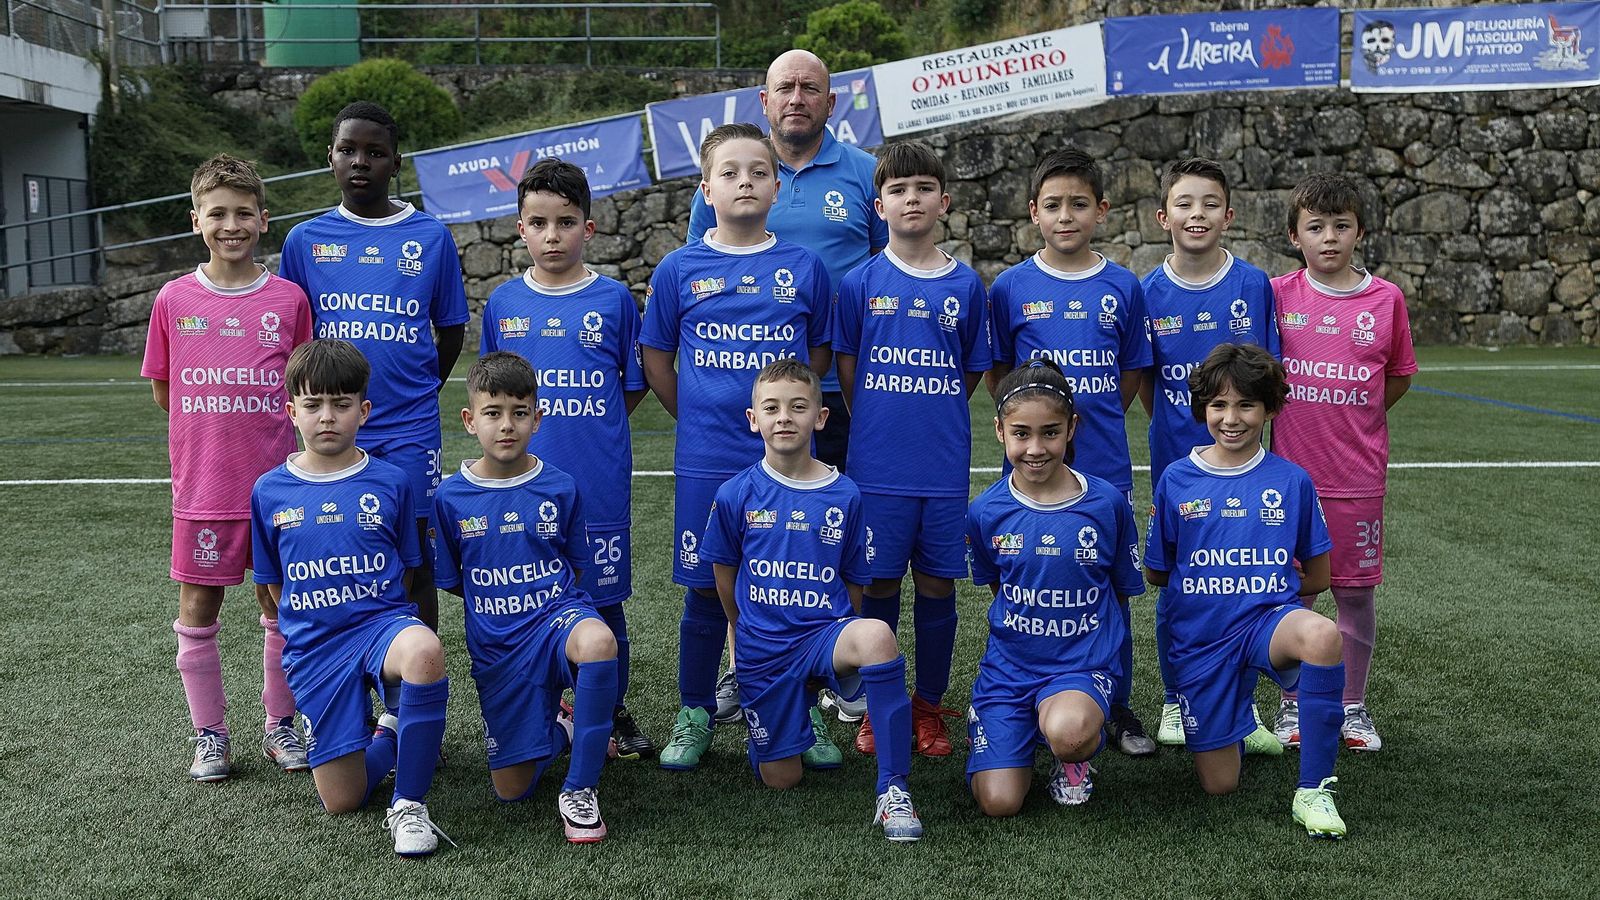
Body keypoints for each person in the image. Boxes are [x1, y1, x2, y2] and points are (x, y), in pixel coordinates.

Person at [687, 49, 887, 724]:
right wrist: (704, 404)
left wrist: (827, 385)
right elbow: (695, 275)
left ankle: (834, 669)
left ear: (832, 102)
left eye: (811, 88)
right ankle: (741, 675)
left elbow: (888, 270)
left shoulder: (864, 173)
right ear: (764, 102)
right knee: (735, 552)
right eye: (784, 88)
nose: (797, 97)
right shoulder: (723, 177)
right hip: (734, 417)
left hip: (825, 401)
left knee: (820, 539)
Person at [640, 123, 832, 770]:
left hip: (785, 464)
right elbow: (657, 359)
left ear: (778, 186)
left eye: (758, 170)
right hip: (707, 460)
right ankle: (696, 708)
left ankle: (801, 709)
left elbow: (819, 356)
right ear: (706, 188)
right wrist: (697, 415)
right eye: (730, 172)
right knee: (702, 590)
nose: (744, 181)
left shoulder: (804, 269)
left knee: (790, 588)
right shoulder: (679, 268)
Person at [142, 153, 314, 782]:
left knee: (284, 607)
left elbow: (301, 388)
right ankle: (210, 735)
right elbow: (166, 390)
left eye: (244, 213)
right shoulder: (174, 299)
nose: (231, 225)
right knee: (197, 606)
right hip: (205, 486)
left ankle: (280, 726)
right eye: (218, 213)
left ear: (264, 220)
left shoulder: (289, 300)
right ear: (196, 221)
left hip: (277, 490)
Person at [700, 359, 922, 842]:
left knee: (876, 635)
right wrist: (742, 633)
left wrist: (841, 635)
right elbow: (724, 577)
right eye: (772, 408)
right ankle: (793, 714)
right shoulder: (736, 493)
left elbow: (854, 580)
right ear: (753, 418)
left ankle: (893, 789)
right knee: (782, 778)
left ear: (819, 418)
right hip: (763, 647)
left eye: (798, 407)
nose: (785, 417)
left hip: (823, 635)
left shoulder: (844, 493)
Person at [479, 158, 653, 760]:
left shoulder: (612, 301)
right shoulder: (504, 304)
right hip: (521, 489)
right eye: (539, 223)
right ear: (520, 228)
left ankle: (607, 710)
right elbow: (493, 392)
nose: (553, 236)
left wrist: (594, 426)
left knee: (605, 602)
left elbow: (629, 386)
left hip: (597, 485)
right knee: (530, 597)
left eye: (566, 222)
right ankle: (541, 705)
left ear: (590, 228)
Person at [250, 339, 452, 856]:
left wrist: (384, 621)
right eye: (313, 405)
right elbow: (273, 585)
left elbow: (409, 573)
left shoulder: (390, 481)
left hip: (379, 628)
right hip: (317, 647)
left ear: (363, 411)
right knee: (344, 799)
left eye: (341, 405)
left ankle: (410, 805)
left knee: (424, 648)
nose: (327, 417)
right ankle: (390, 729)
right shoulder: (269, 491)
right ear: (291, 410)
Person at [986, 148, 1154, 757]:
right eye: (1052, 205)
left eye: (1078, 204)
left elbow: (1131, 373)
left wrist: (1094, 425)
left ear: (1101, 211)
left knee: (1113, 585)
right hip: (1031, 468)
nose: (1065, 216)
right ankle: (1031, 690)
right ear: (1033, 213)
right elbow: (1003, 376)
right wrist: (1033, 431)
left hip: (1102, 463)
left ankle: (1117, 702)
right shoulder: (1010, 288)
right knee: (1035, 579)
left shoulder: (1122, 286)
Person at [278, 100, 470, 633]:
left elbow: (450, 330)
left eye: (374, 152)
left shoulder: (430, 236)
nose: (360, 161)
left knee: (415, 557)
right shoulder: (305, 241)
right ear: (330, 159)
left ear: (395, 162)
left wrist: (420, 388)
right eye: (348, 150)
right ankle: (350, 664)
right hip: (330, 426)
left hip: (409, 426)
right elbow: (298, 337)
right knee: (339, 551)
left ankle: (416, 690)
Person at [1143, 343, 1348, 840]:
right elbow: (1158, 573)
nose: (1231, 418)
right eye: (1218, 405)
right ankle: (1237, 715)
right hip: (1203, 641)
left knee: (1321, 636)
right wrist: (1214, 588)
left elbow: (1318, 577)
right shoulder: (1177, 479)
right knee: (1220, 785)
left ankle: (1313, 790)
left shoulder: (1291, 480)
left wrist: (1261, 586)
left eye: (1246, 405)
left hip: (1266, 625)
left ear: (1270, 408)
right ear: (1202, 410)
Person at [832, 140, 992, 757]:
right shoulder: (860, 282)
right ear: (880, 205)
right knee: (877, 592)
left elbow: (968, 372)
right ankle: (881, 707)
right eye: (898, 191)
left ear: (944, 200)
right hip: (877, 469)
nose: (912, 199)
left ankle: (928, 707)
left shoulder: (966, 285)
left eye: (923, 188)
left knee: (936, 588)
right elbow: (849, 371)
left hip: (942, 469)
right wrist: (879, 418)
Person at [432, 352, 620, 843]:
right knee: (511, 789)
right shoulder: (450, 498)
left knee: (598, 641)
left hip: (556, 620)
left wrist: (547, 604)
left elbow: (574, 565)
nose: (507, 425)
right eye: (493, 413)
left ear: (537, 418)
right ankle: (568, 731)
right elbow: (456, 580)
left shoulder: (559, 486)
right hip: (497, 647)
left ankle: (580, 789)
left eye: (519, 412)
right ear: (470, 421)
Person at [1270, 173, 1415, 753]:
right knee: (1291, 596)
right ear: (1294, 235)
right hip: (1289, 481)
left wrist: (1356, 422)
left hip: (1356, 479)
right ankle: (1290, 707)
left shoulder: (1386, 300)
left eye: (1341, 226)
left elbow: (1397, 377)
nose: (1328, 238)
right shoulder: (1278, 295)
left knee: (1354, 595)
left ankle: (1353, 707)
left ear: (1359, 232)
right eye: (1315, 227)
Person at [1140, 157, 1280, 751]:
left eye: (1209, 204)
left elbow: (1265, 377)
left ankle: (1240, 712)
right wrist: (1181, 437)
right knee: (1180, 585)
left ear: (1230, 213)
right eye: (1184, 203)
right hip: (1180, 464)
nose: (1197, 214)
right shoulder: (1145, 291)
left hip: (1244, 465)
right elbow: (1147, 382)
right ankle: (1177, 700)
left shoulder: (1253, 285)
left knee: (1243, 583)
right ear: (1162, 215)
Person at [967, 360, 1143, 815]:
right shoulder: (986, 510)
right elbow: (998, 588)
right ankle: (1008, 720)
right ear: (1000, 432)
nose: (1036, 448)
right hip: (1010, 670)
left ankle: (1074, 754)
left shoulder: (1105, 504)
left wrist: (1101, 667)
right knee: (998, 803)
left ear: (1072, 428)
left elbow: (1118, 593)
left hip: (1080, 666)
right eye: (1021, 433)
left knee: (1069, 735)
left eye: (1050, 432)